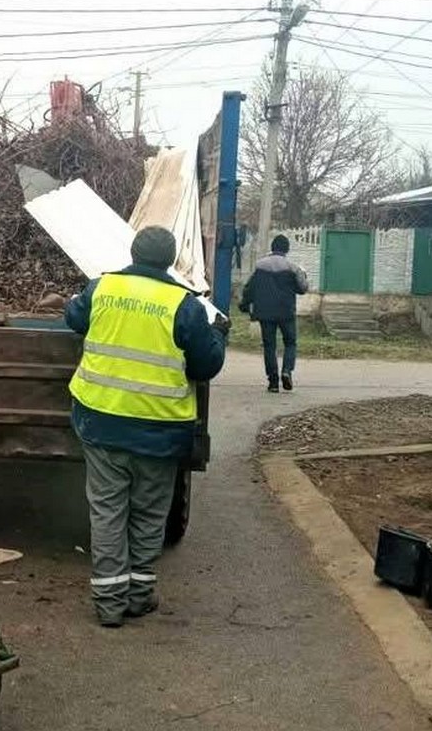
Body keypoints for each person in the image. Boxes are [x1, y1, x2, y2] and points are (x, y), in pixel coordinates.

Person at [64, 226, 227, 628]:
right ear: (170, 260)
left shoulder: (102, 288)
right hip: (159, 431)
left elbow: (73, 318)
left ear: (132, 252)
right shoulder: (184, 305)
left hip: (101, 422)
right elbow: (207, 365)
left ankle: (108, 603)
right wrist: (217, 336)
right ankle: (138, 596)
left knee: (107, 511)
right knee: (149, 515)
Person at [239, 234, 309, 393]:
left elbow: (249, 288)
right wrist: (303, 275)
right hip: (286, 312)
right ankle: (287, 371)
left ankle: (272, 382)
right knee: (290, 343)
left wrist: (244, 305)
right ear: (287, 249)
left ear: (272, 248)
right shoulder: (292, 268)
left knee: (269, 346)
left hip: (265, 313)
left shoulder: (259, 266)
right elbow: (303, 289)